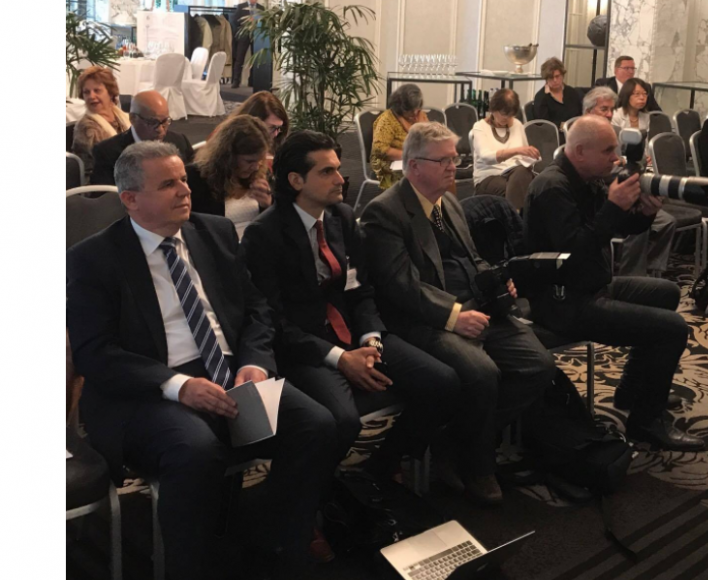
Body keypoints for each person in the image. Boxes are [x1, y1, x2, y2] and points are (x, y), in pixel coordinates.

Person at [67, 141, 337, 579]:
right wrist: (177, 386)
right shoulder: (93, 259)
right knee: (196, 450)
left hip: (228, 372)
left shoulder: (214, 232)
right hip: (147, 390)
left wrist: (255, 363)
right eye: (168, 184)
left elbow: (256, 310)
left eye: (184, 180)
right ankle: (191, 567)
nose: (184, 190)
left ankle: (271, 540)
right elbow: (95, 353)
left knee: (316, 425)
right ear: (130, 199)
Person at [241, 130, 461, 483]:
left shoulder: (341, 217)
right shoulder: (264, 235)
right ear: (296, 181)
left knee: (442, 382)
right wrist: (340, 358)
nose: (341, 179)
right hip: (306, 347)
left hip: (354, 332)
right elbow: (274, 321)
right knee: (342, 421)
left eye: (339, 169)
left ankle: (380, 467)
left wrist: (371, 339)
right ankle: (314, 493)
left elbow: (361, 290)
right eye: (327, 172)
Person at [361, 122, 555, 505]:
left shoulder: (447, 202)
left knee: (539, 365)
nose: (454, 167)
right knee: (482, 372)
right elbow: (401, 287)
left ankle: (452, 442)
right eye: (444, 161)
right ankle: (477, 465)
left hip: (477, 306)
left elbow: (471, 258)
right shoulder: (385, 212)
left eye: (455, 158)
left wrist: (497, 282)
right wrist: (454, 316)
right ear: (414, 166)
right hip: (427, 319)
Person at [524, 116, 702, 450]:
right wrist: (612, 206)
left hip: (590, 286)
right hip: (561, 302)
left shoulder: (587, 179)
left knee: (666, 292)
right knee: (672, 329)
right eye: (608, 151)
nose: (616, 158)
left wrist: (645, 213)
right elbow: (573, 252)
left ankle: (631, 392)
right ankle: (646, 422)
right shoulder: (552, 187)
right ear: (580, 151)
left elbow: (618, 229)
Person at [584, 87, 678, 276]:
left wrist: (634, 166)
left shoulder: (619, 132)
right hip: (603, 195)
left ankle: (651, 270)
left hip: (628, 190)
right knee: (636, 226)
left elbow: (636, 163)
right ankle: (630, 275)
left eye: (611, 109)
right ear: (588, 111)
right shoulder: (583, 134)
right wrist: (619, 167)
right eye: (604, 109)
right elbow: (592, 173)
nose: (609, 114)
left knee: (667, 221)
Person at [186, 115, 274, 239]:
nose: (256, 167)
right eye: (249, 161)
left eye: (260, 160)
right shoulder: (196, 178)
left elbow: (274, 226)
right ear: (228, 157)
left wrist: (267, 206)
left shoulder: (262, 175)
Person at [90, 90, 195, 186]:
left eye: (165, 122)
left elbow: (194, 185)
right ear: (133, 119)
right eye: (152, 122)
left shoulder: (179, 142)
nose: (160, 129)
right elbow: (105, 196)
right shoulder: (107, 152)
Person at [471, 88, 540, 210]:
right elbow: (486, 157)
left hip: (516, 175)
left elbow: (524, 156)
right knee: (521, 188)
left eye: (510, 115)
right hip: (489, 176)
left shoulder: (517, 125)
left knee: (525, 175)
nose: (507, 118)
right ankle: (518, 217)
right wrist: (516, 151)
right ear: (493, 109)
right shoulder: (480, 127)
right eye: (503, 113)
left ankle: (515, 216)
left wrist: (530, 155)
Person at [72, 66, 131, 179]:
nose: (91, 96)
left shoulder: (124, 117)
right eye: (86, 92)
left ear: (110, 93)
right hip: (103, 182)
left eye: (97, 91)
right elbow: (94, 169)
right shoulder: (86, 128)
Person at [372, 83, 429, 190]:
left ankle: (437, 201)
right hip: (390, 163)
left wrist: (421, 127)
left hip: (416, 160)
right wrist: (411, 156)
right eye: (410, 110)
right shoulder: (387, 120)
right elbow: (380, 150)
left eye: (417, 108)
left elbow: (429, 142)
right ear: (399, 107)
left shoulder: (419, 115)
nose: (414, 113)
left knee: (441, 171)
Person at [531, 57, 584, 129]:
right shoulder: (541, 97)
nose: (555, 80)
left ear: (562, 75)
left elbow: (580, 113)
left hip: (575, 130)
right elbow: (543, 124)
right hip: (554, 133)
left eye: (557, 76)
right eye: (551, 77)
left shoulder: (572, 92)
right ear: (546, 78)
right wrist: (564, 126)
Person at [595, 55, 662, 112]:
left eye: (632, 68)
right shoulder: (603, 84)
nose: (631, 72)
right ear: (616, 70)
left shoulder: (644, 87)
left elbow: (656, 112)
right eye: (626, 68)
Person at [229, 0, 263, 89]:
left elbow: (264, 21)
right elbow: (234, 20)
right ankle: (236, 81)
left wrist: (257, 21)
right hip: (244, 36)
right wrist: (246, 21)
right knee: (239, 58)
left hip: (257, 36)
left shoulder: (261, 8)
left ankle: (252, 81)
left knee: (255, 59)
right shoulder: (241, 7)